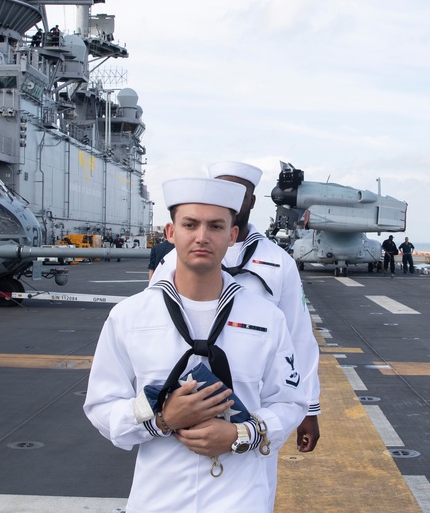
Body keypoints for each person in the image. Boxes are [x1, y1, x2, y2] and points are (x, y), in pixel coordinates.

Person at [84, 178, 307, 512]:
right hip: (158, 499)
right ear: (171, 232)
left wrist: (240, 435)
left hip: (241, 498)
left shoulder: (266, 318)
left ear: (231, 236)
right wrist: (160, 418)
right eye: (190, 224)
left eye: (216, 226)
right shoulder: (129, 316)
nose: (202, 237)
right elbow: (101, 406)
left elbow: (290, 402)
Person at [149, 162, 321, 509]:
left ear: (252, 201)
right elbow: (154, 321)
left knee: (253, 484)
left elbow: (299, 334)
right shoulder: (175, 259)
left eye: (240, 192)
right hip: (182, 395)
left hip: (252, 397)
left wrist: (309, 407)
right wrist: (161, 414)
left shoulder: (278, 262)